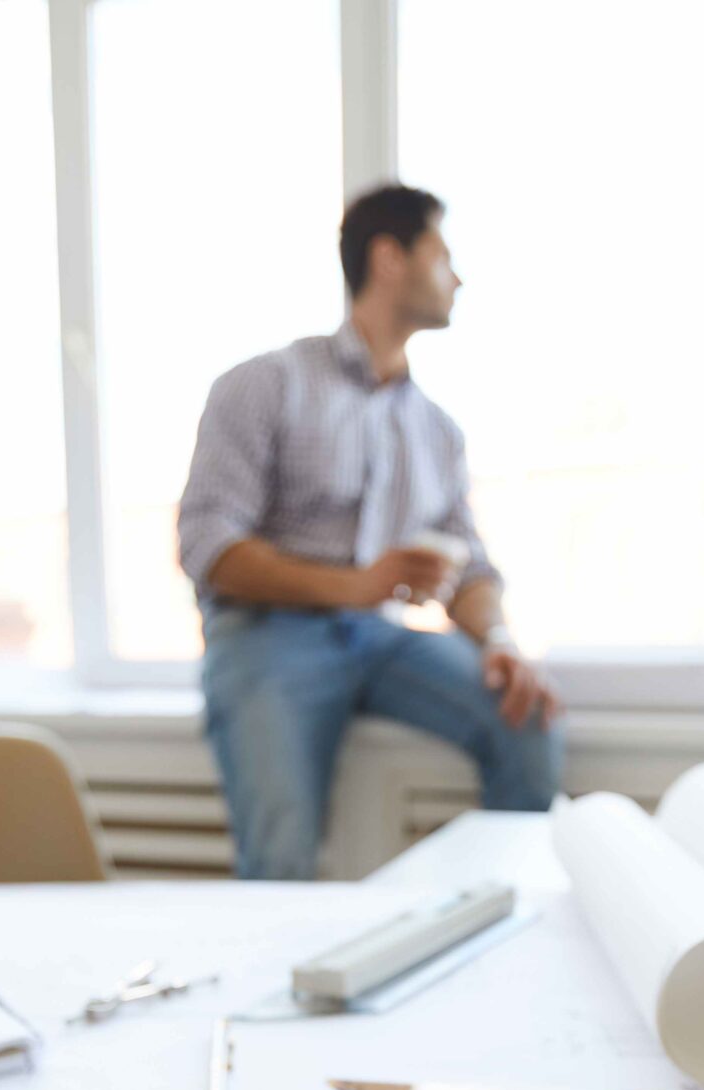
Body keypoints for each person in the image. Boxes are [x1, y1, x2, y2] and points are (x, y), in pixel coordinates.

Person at [178, 183, 563, 880]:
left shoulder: (437, 431)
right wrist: (355, 585)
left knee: (528, 720)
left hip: (381, 641)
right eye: (442, 255)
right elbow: (207, 544)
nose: (458, 277)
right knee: (281, 854)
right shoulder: (264, 385)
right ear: (389, 258)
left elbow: (470, 569)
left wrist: (501, 642)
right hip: (265, 636)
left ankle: (494, 922)